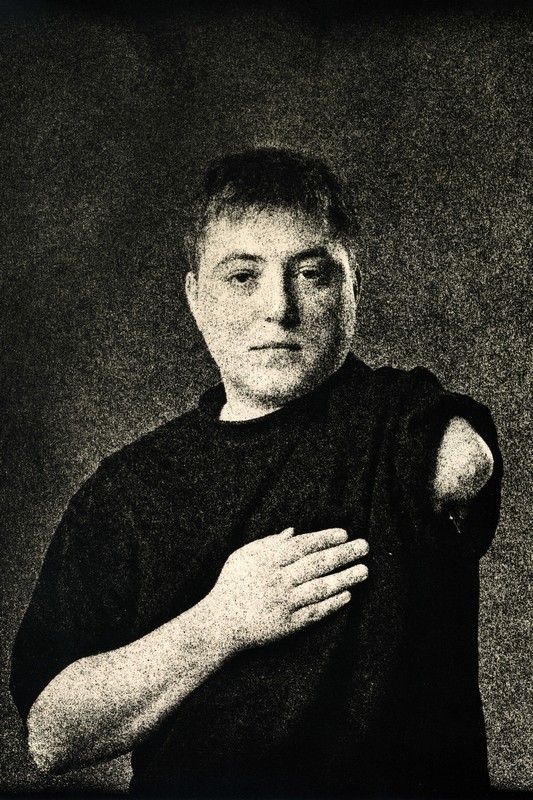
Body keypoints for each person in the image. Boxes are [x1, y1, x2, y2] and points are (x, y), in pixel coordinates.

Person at [10, 148, 502, 798]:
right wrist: (223, 621)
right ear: (195, 298)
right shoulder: (129, 490)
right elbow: (50, 736)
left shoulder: (403, 422)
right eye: (243, 276)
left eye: (311, 274)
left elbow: (464, 464)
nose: (279, 308)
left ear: (353, 288)